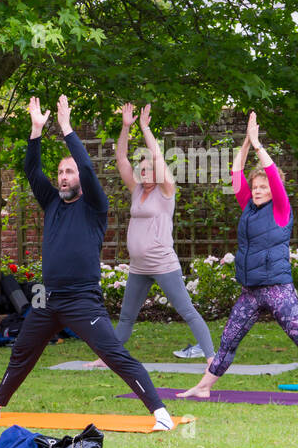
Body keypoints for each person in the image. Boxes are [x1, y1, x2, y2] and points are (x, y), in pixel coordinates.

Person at [0, 96, 175, 431]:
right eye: (60, 172)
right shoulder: (51, 203)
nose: (63, 177)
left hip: (82, 299)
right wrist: (36, 132)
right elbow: (31, 170)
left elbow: (89, 169)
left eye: (68, 171)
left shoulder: (94, 205)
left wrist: (66, 129)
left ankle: (159, 412)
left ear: (79, 178)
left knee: (113, 355)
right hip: (48, 299)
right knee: (22, 350)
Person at [177, 113, 298, 405]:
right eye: (255, 187)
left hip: (278, 289)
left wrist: (257, 145)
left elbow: (269, 170)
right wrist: (244, 142)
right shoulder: (249, 207)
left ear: (273, 188)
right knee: (229, 339)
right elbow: (236, 173)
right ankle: (204, 386)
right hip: (251, 291)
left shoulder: (281, 207)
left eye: (263, 186)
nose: (257, 190)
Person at [85, 102, 215, 367]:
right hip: (139, 267)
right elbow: (121, 159)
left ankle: (212, 358)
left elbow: (157, 156)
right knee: (126, 317)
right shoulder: (136, 190)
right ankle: (105, 359)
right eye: (141, 170)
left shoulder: (166, 191)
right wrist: (125, 127)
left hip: (163, 264)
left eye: (149, 170)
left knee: (186, 311)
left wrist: (145, 129)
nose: (145, 174)